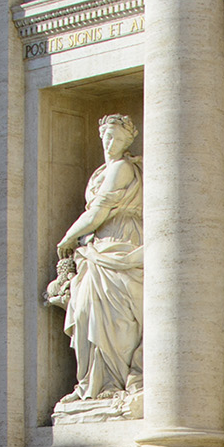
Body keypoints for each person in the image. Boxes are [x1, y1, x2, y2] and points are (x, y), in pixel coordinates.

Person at [45, 114, 144, 406]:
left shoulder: (123, 168)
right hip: (96, 247)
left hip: (121, 241)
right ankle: (94, 383)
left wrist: (68, 236)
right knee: (87, 310)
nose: (108, 142)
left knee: (120, 319)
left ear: (127, 142)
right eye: (105, 136)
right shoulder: (102, 171)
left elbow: (99, 211)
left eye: (116, 138)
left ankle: (115, 381)